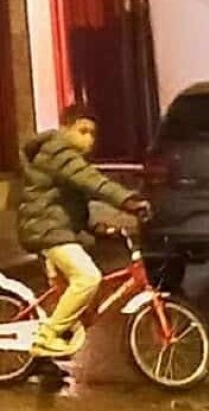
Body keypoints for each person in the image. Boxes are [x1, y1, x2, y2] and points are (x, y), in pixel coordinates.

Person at [18, 104, 152, 358]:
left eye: (92, 133)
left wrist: (94, 227)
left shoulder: (65, 158)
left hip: (54, 227)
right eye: (82, 131)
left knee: (72, 295)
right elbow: (93, 182)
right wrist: (128, 201)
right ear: (64, 129)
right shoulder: (59, 152)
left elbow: (65, 204)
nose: (89, 139)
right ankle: (48, 336)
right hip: (47, 230)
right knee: (88, 277)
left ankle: (51, 351)